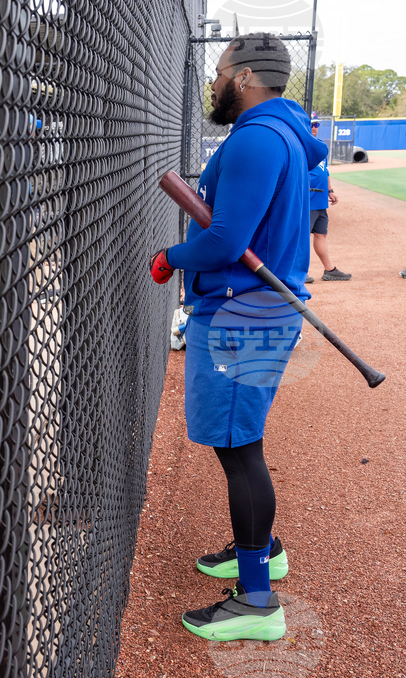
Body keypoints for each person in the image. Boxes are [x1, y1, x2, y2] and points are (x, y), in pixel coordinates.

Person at [149, 33, 328, 642]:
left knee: (239, 450)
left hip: (240, 319)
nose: (214, 80)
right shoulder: (281, 130)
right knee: (238, 444)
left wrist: (171, 256)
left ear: (245, 75)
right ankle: (263, 548)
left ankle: (257, 601)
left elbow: (225, 241)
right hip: (252, 312)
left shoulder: (256, 137)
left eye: (220, 70)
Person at [305, 115, 348, 283]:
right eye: (311, 124)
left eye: (316, 124)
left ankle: (329, 270)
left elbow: (326, 171)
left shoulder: (320, 146)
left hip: (321, 199)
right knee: (303, 237)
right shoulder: (302, 145)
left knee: (321, 235)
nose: (314, 127)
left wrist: (330, 190)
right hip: (309, 198)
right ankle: (299, 272)